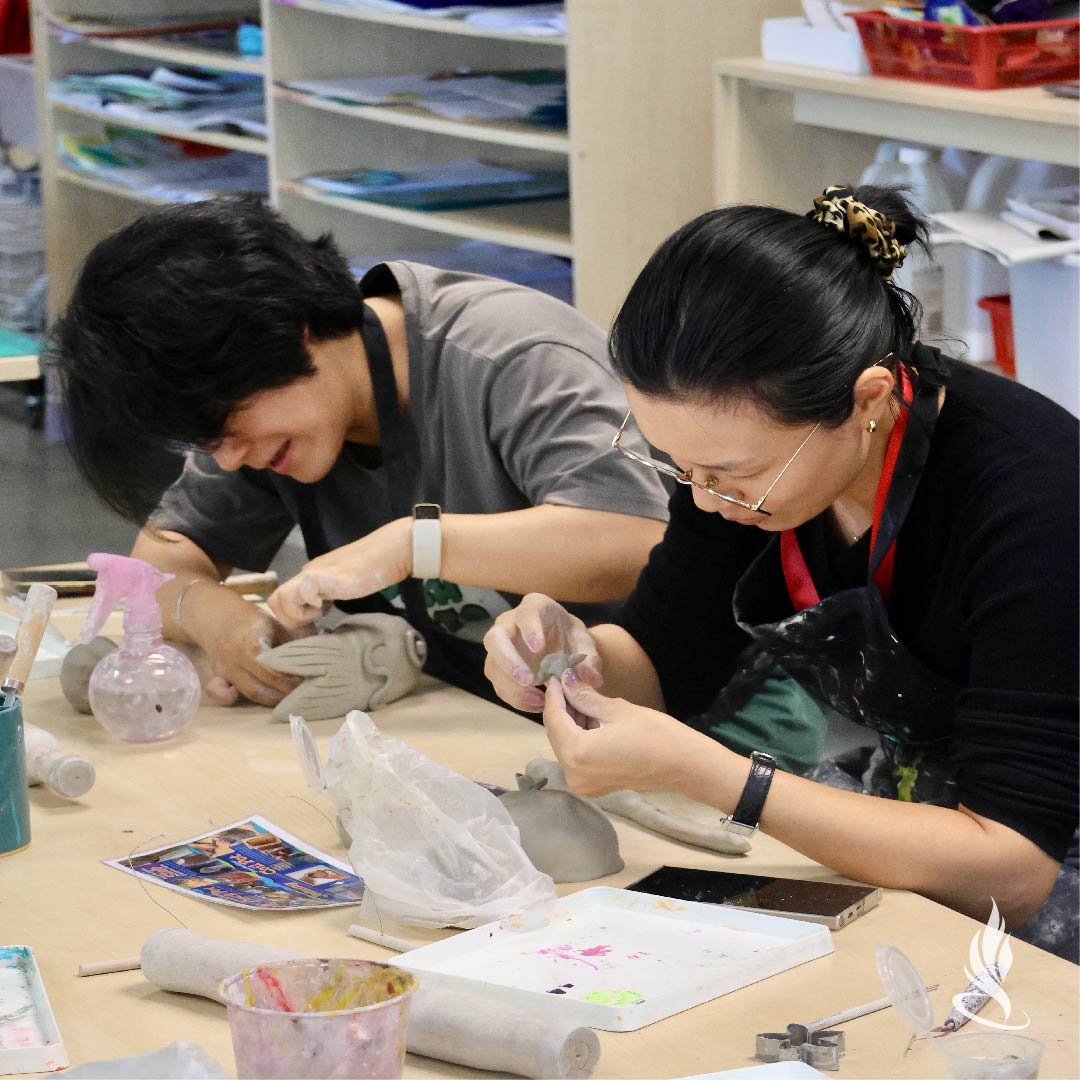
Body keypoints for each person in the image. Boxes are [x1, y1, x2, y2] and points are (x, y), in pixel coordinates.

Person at [484, 185, 1079, 959]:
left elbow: (1012, 867)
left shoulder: (1034, 504)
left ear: (867, 400)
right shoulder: (740, 470)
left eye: (730, 473)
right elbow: (668, 661)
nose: (703, 497)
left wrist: (726, 779)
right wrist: (573, 659)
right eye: (678, 465)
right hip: (931, 805)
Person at [52, 198, 669, 707]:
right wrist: (223, 623)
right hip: (461, 711)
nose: (231, 459)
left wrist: (412, 545)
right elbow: (160, 561)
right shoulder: (267, 414)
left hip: (655, 719)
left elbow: (634, 540)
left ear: (288, 332)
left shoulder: (512, 357)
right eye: (208, 443)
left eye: (227, 429)